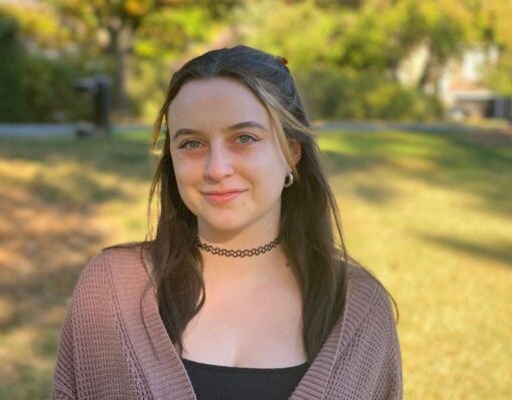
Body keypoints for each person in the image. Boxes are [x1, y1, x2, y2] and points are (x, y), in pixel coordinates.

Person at [51, 45, 402, 400]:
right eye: (191, 143)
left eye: (244, 138)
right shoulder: (110, 292)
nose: (216, 169)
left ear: (292, 152)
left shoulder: (360, 310)